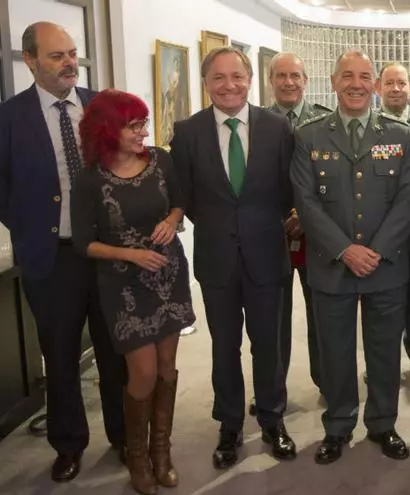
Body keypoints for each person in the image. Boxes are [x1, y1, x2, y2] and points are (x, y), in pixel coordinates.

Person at [0, 21, 126, 483]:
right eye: (57, 55)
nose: (70, 62)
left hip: (107, 253)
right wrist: (30, 227)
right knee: (60, 355)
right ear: (30, 61)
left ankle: (124, 436)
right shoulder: (9, 118)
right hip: (52, 257)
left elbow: (127, 165)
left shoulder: (102, 107)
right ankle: (69, 445)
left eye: (72, 53)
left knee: (115, 349)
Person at [291, 50, 410, 465]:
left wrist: (376, 250)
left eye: (365, 77)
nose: (356, 84)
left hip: (386, 264)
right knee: (335, 352)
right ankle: (338, 425)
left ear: (375, 85)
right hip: (332, 264)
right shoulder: (309, 136)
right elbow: (306, 202)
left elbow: (408, 198)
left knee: (384, 351)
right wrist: (345, 250)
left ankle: (383, 423)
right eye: (347, 76)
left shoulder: (401, 135)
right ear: (333, 82)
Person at [170, 47, 296, 469]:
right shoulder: (187, 132)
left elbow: (287, 190)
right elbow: (184, 196)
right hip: (216, 258)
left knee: (268, 346)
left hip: (267, 255)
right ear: (206, 82)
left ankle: (273, 420)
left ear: (250, 80)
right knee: (224, 348)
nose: (229, 85)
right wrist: (222, 225)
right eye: (219, 78)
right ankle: (229, 425)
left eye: (237, 76)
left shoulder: (277, 128)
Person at [71, 89, 195, 495]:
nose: (144, 131)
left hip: (169, 277)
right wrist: (131, 254)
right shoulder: (89, 180)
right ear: (108, 130)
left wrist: (171, 221)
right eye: (134, 125)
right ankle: (138, 457)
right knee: (142, 372)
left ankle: (162, 453)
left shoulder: (160, 160)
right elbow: (83, 243)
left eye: (143, 123)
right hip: (123, 286)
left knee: (167, 367)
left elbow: (179, 203)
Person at [244, 52, 331, 416]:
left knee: (323, 314)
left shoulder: (326, 121)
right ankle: (271, 390)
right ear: (270, 81)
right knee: (272, 319)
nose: (288, 82)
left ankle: (329, 382)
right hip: (272, 232)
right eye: (281, 75)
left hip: (318, 233)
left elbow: (333, 179)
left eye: (295, 75)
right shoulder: (255, 123)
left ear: (305, 80)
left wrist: (305, 216)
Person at [376, 61, 410, 383]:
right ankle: (381, 364)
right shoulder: (369, 127)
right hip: (379, 230)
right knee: (381, 303)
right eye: (389, 83)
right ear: (378, 88)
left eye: (401, 83)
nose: (396, 89)